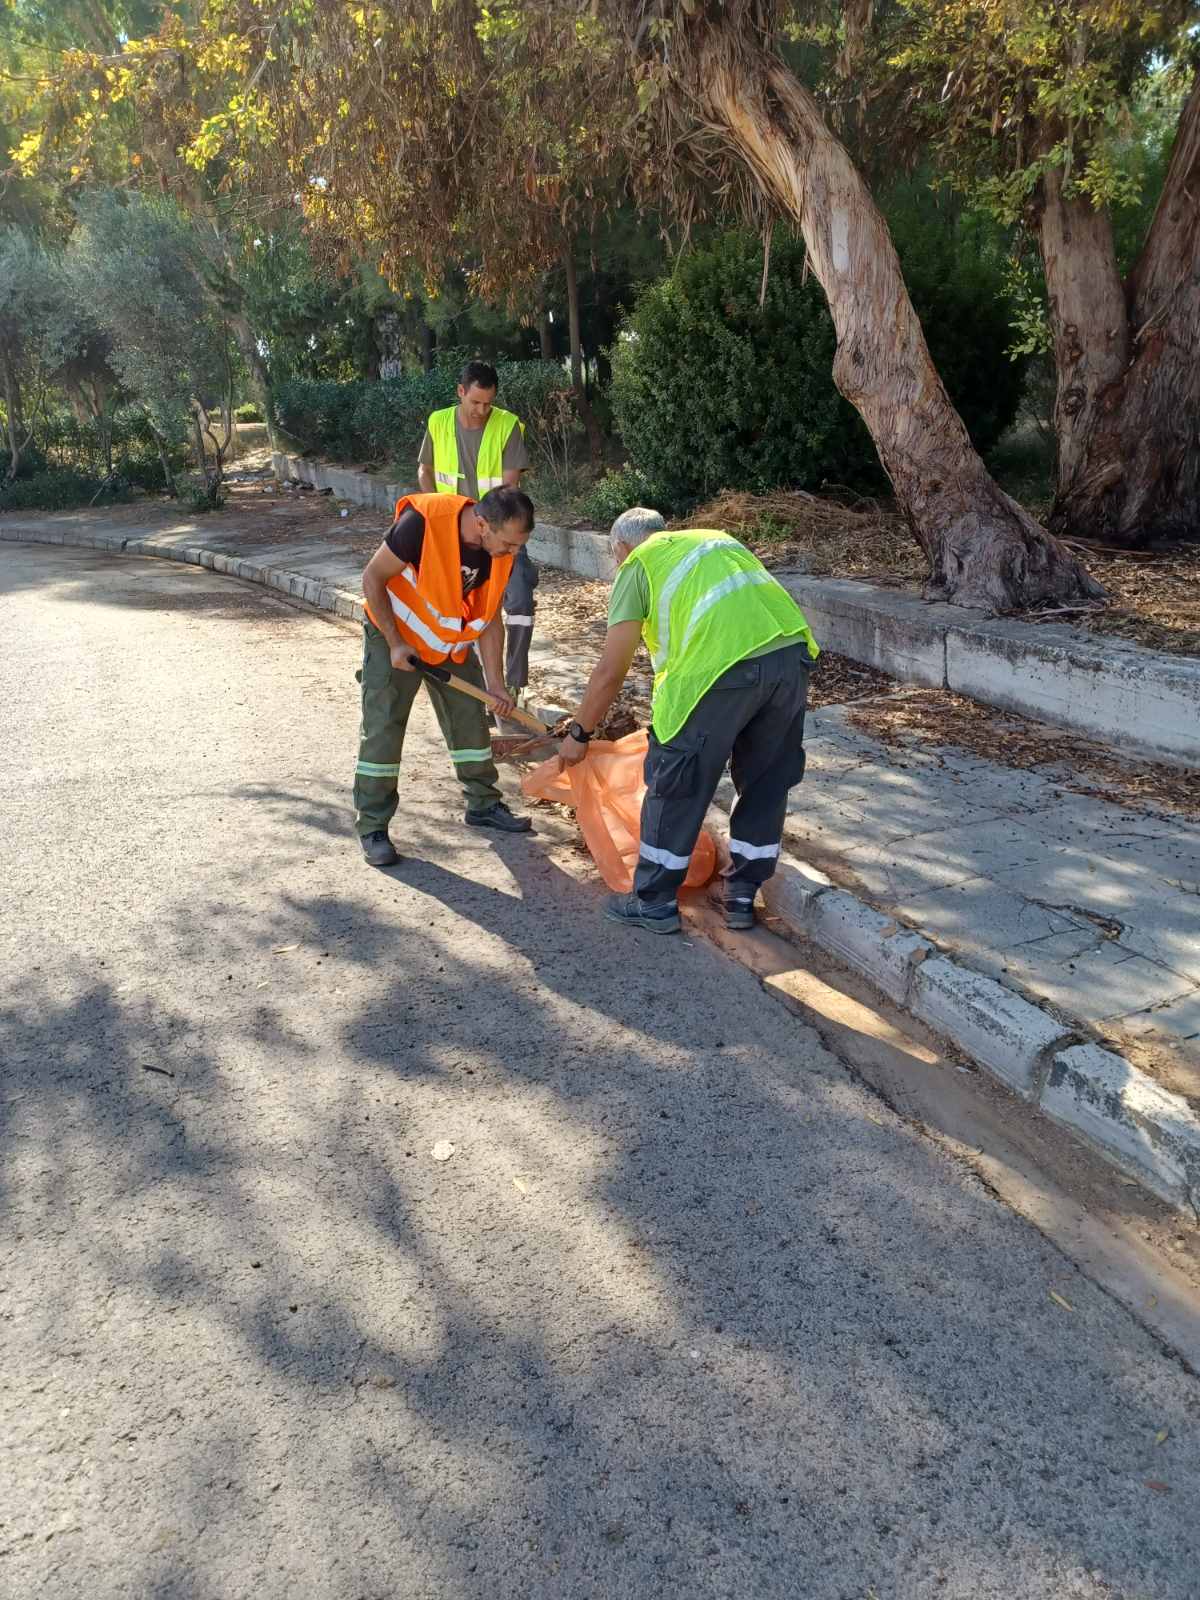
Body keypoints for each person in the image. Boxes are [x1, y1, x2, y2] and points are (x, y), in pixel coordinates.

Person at [559, 507, 819, 933]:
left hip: (719, 673)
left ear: (622, 548)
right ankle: (740, 896)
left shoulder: (638, 564)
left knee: (676, 781)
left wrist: (580, 732)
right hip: (791, 658)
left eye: (616, 558)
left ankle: (654, 902)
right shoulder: (713, 540)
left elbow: (611, 669)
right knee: (765, 782)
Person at [354, 485, 536, 867]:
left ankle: (483, 804)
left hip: (448, 642)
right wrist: (394, 643)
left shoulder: (497, 551)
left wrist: (496, 684)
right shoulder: (422, 523)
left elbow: (488, 620)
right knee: (384, 727)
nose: (513, 553)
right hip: (396, 638)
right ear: (482, 524)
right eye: (508, 544)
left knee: (469, 720)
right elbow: (372, 578)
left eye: (519, 546)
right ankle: (373, 826)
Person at [418, 360, 539, 708]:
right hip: (455, 536)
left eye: (489, 403)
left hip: (501, 530)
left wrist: (496, 532)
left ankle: (511, 686)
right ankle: (477, 687)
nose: (482, 410)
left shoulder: (507, 425)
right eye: (475, 402)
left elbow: (509, 486)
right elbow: (425, 470)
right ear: (461, 392)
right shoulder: (439, 422)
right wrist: (435, 511)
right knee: (464, 608)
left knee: (517, 602)